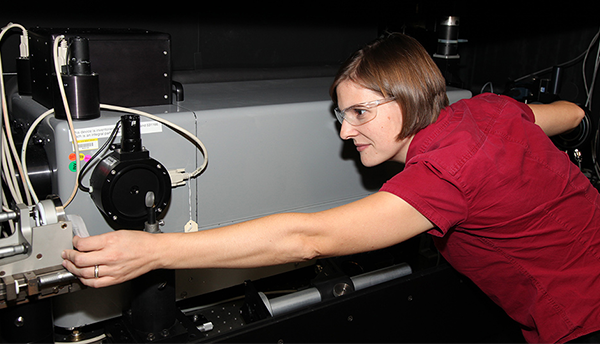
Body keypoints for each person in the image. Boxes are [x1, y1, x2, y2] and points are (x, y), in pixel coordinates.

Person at [61, 33, 598, 343]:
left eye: (361, 111)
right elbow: (568, 113)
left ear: (409, 98)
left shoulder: (443, 174)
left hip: (579, 315)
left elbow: (306, 238)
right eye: (340, 115)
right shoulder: (486, 109)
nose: (345, 131)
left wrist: (155, 251)